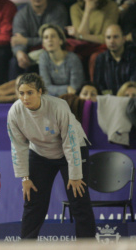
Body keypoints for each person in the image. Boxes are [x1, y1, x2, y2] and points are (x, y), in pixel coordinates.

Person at [7, 73, 95, 239]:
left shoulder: (58, 106)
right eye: (21, 93)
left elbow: (71, 142)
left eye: (30, 92)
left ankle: (88, 244)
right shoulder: (15, 112)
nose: (25, 98)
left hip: (72, 149)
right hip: (40, 153)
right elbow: (18, 147)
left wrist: (75, 175)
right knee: (33, 202)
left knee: (78, 200)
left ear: (40, 92)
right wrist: (24, 178)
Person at [8, 0, 68, 80]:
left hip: (52, 51)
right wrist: (19, 53)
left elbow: (55, 39)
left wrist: (26, 41)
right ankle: (15, 94)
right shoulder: (21, 14)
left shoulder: (58, 11)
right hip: (30, 53)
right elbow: (17, 40)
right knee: (15, 61)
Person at [65, 0, 118, 79]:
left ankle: (95, 89)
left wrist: (80, 35)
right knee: (73, 58)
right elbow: (78, 37)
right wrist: (87, 11)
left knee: (96, 57)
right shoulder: (75, 8)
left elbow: (105, 38)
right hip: (82, 47)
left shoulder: (111, 7)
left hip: (102, 47)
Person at [38, 23, 84, 96]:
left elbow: (75, 88)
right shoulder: (43, 58)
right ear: (43, 44)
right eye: (46, 37)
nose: (49, 40)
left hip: (71, 99)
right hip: (52, 99)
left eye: (53, 36)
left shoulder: (73, 59)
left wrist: (55, 90)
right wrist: (66, 88)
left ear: (61, 41)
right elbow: (45, 87)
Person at [94, 24, 136, 95]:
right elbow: (99, 85)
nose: (112, 41)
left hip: (130, 99)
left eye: (115, 37)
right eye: (108, 37)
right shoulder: (101, 59)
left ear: (124, 39)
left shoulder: (133, 57)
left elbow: (133, 84)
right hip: (109, 101)